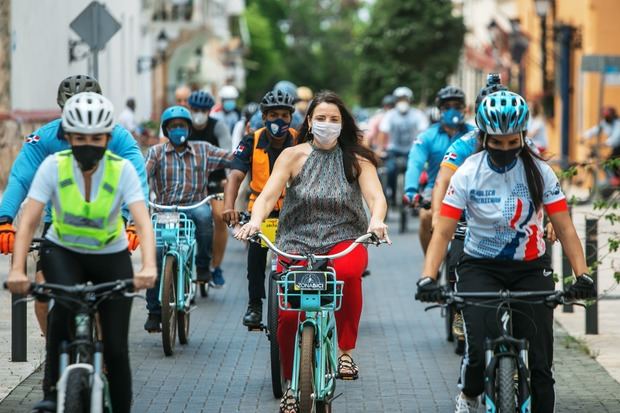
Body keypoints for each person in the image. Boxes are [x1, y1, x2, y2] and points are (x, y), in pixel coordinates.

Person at [416, 91, 596, 413]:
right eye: (495, 143)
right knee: (474, 352)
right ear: (482, 137)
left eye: (512, 143)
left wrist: (582, 275)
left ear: (524, 137)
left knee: (541, 366)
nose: (503, 149)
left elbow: (565, 228)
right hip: (479, 267)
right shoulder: (468, 171)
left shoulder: (540, 171)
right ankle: (469, 394)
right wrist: (428, 278)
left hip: (530, 267)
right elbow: (443, 231)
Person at [233, 91, 390, 413]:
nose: (327, 125)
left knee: (347, 275)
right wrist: (256, 222)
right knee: (289, 315)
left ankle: (345, 351)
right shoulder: (292, 155)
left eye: (334, 119)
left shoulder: (358, 159)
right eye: (321, 118)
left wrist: (376, 221)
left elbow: (376, 197)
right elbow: (266, 195)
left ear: (343, 123)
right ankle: (292, 385)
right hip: (296, 240)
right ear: (309, 121)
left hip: (345, 238)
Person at [5, 92, 157, 413]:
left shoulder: (122, 170)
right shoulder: (52, 166)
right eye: (79, 137)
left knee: (115, 349)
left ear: (108, 138)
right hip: (63, 251)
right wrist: (18, 270)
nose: (88, 144)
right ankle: (50, 391)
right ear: (67, 137)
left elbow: (142, 221)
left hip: (110, 255)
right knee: (60, 310)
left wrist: (149, 267)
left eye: (97, 137)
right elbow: (30, 218)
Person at [0, 75, 148, 336]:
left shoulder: (118, 137)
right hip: (59, 226)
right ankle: (55, 353)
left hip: (109, 226)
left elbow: (137, 179)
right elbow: (21, 178)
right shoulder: (44, 138)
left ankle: (101, 357)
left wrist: (131, 220)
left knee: (107, 302)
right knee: (44, 294)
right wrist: (4, 219)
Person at [143, 105, 233, 331]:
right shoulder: (156, 153)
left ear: (189, 129)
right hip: (164, 211)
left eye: (182, 125)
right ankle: (154, 311)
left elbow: (231, 158)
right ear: (166, 130)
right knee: (155, 254)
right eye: (173, 126)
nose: (178, 130)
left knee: (205, 217)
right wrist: (141, 202)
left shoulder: (203, 150)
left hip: (195, 205)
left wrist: (251, 145)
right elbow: (142, 178)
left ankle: (204, 266)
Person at [222, 89, 299, 329]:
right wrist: (228, 207)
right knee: (255, 256)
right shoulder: (251, 140)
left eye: (284, 115)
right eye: (273, 114)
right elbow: (235, 176)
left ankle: (300, 302)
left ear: (291, 118)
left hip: (294, 212)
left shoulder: (300, 140)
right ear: (264, 117)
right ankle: (255, 305)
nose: (279, 120)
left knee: (300, 259)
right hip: (260, 212)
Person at [403, 86, 474, 254]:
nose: (452, 111)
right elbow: (415, 163)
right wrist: (411, 190)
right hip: (434, 190)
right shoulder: (427, 136)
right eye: (447, 107)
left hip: (470, 191)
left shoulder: (475, 135)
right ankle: (431, 267)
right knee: (426, 216)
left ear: (465, 108)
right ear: (440, 110)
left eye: (457, 106)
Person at [187, 90, 233, 287]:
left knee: (219, 217)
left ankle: (216, 267)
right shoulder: (184, 126)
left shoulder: (218, 126)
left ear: (209, 111)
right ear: (190, 109)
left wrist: (228, 178)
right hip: (190, 181)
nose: (199, 113)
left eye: (203, 110)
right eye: (195, 109)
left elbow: (229, 153)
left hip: (215, 180)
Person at [378, 86, 429, 205]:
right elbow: (383, 132)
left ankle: (415, 196)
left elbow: (424, 132)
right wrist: (380, 149)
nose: (402, 102)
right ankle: (391, 193)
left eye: (405, 99)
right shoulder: (390, 115)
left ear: (410, 100)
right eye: (400, 99)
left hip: (412, 150)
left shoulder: (417, 115)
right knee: (390, 170)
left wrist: (423, 149)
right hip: (393, 149)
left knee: (416, 170)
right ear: (395, 101)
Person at [583, 106, 620, 181]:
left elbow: (615, 138)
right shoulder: (605, 123)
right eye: (605, 116)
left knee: (610, 162)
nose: (606, 118)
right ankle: (613, 179)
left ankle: (616, 179)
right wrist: (584, 136)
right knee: (608, 162)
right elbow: (596, 130)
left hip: (618, 146)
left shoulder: (617, 123)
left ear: (612, 116)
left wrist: (604, 144)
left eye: (608, 116)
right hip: (615, 147)